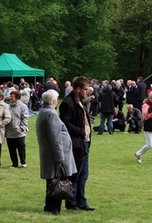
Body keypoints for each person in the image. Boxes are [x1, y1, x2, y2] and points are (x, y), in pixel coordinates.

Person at [36, 90, 77, 215]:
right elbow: (55, 138)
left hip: (49, 153)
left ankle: (49, 206)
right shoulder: (51, 114)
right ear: (54, 101)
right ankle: (54, 208)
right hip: (55, 154)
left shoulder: (44, 112)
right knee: (57, 182)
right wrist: (60, 157)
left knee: (51, 181)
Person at [59, 76, 95, 211]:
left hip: (84, 142)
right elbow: (65, 123)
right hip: (76, 143)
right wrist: (81, 132)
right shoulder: (68, 103)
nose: (87, 91)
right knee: (75, 174)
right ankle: (71, 202)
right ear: (77, 89)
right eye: (85, 89)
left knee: (83, 174)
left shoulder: (80, 101)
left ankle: (82, 202)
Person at [135, 91, 152, 165]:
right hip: (149, 126)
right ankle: (138, 154)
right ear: (149, 98)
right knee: (149, 145)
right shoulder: (145, 105)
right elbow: (147, 114)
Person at [6, 90, 29, 168]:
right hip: (9, 131)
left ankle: (23, 162)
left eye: (12, 96)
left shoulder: (23, 106)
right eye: (10, 96)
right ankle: (14, 163)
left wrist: (23, 127)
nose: (10, 98)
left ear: (17, 97)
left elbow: (25, 117)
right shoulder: (7, 106)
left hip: (19, 131)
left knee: (21, 147)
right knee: (11, 148)